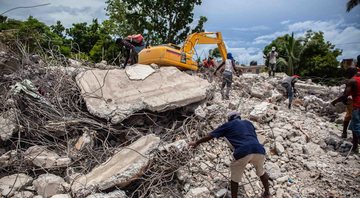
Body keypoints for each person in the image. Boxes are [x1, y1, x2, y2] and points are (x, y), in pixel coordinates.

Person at [188, 112, 271, 198]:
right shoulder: (248, 123)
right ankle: (267, 193)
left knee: (235, 179)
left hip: (243, 151)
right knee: (261, 172)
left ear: (230, 119)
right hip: (259, 149)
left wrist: (196, 143)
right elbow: (249, 136)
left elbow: (210, 136)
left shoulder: (228, 125)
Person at [332, 67, 360, 152]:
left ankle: (355, 144)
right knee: (354, 127)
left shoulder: (352, 81)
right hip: (356, 106)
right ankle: (355, 147)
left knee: (357, 128)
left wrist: (335, 101)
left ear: (350, 73)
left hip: (357, 107)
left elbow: (345, 95)